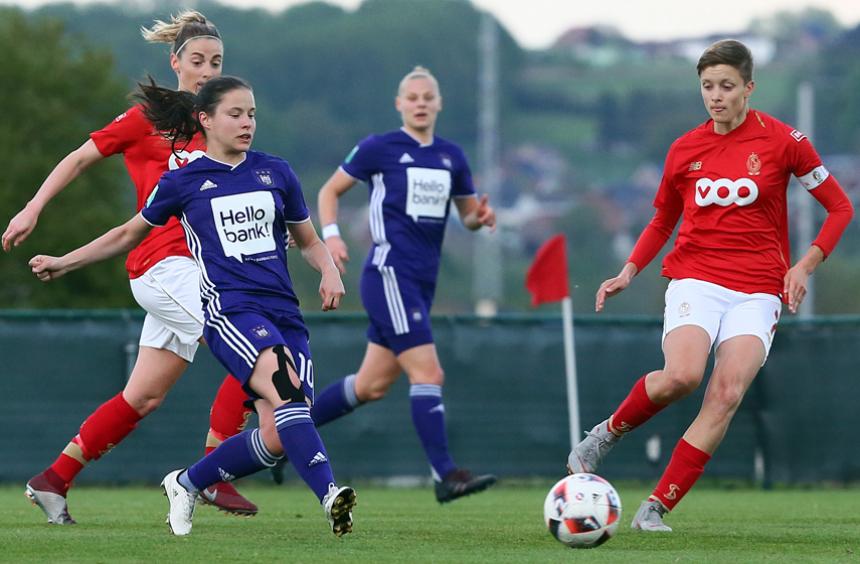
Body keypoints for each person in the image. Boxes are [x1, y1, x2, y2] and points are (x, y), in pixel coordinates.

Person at [30, 75, 357, 537]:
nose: (247, 123)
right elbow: (127, 234)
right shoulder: (183, 181)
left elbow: (307, 239)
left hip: (283, 311)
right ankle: (330, 495)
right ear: (205, 119)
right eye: (235, 114)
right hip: (229, 307)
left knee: (282, 430)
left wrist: (328, 269)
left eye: (252, 114)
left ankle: (189, 481)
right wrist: (65, 261)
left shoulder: (275, 171)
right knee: (283, 391)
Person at [566, 39, 854, 532]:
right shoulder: (685, 148)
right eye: (707, 86)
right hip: (695, 279)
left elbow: (841, 207)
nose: (716, 96)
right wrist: (629, 270)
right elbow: (662, 220)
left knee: (726, 393)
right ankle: (604, 435)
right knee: (681, 377)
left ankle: (655, 507)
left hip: (759, 289)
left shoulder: (786, 142)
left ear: (749, 88)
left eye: (726, 86)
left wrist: (804, 266)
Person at [2, 11, 258, 522]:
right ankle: (212, 471)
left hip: (198, 272)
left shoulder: (221, 126)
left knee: (142, 396)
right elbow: (78, 158)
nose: (207, 71)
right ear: (175, 62)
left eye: (217, 62)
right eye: (197, 61)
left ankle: (53, 480)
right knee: (253, 350)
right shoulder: (150, 120)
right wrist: (33, 207)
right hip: (163, 266)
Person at [310, 66, 498, 503]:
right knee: (428, 372)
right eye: (411, 97)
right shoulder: (381, 148)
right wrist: (333, 236)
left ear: (439, 103)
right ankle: (445, 475)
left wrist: (479, 218)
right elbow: (329, 192)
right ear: (399, 104)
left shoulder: (452, 156)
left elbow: (467, 215)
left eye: (427, 96)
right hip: (390, 272)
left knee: (371, 385)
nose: (420, 103)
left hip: (421, 281)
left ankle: (287, 438)